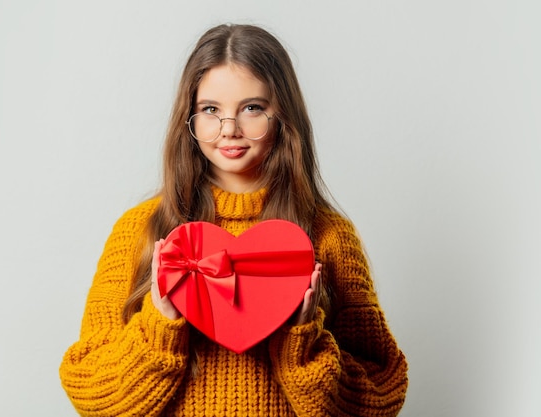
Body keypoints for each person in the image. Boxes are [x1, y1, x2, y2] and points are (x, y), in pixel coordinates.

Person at [60, 23, 408, 416]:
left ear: (282, 116)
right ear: (189, 118)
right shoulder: (139, 230)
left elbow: (382, 394)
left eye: (252, 108)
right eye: (211, 110)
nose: (229, 129)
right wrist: (161, 325)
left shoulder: (330, 236)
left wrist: (302, 343)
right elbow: (90, 394)